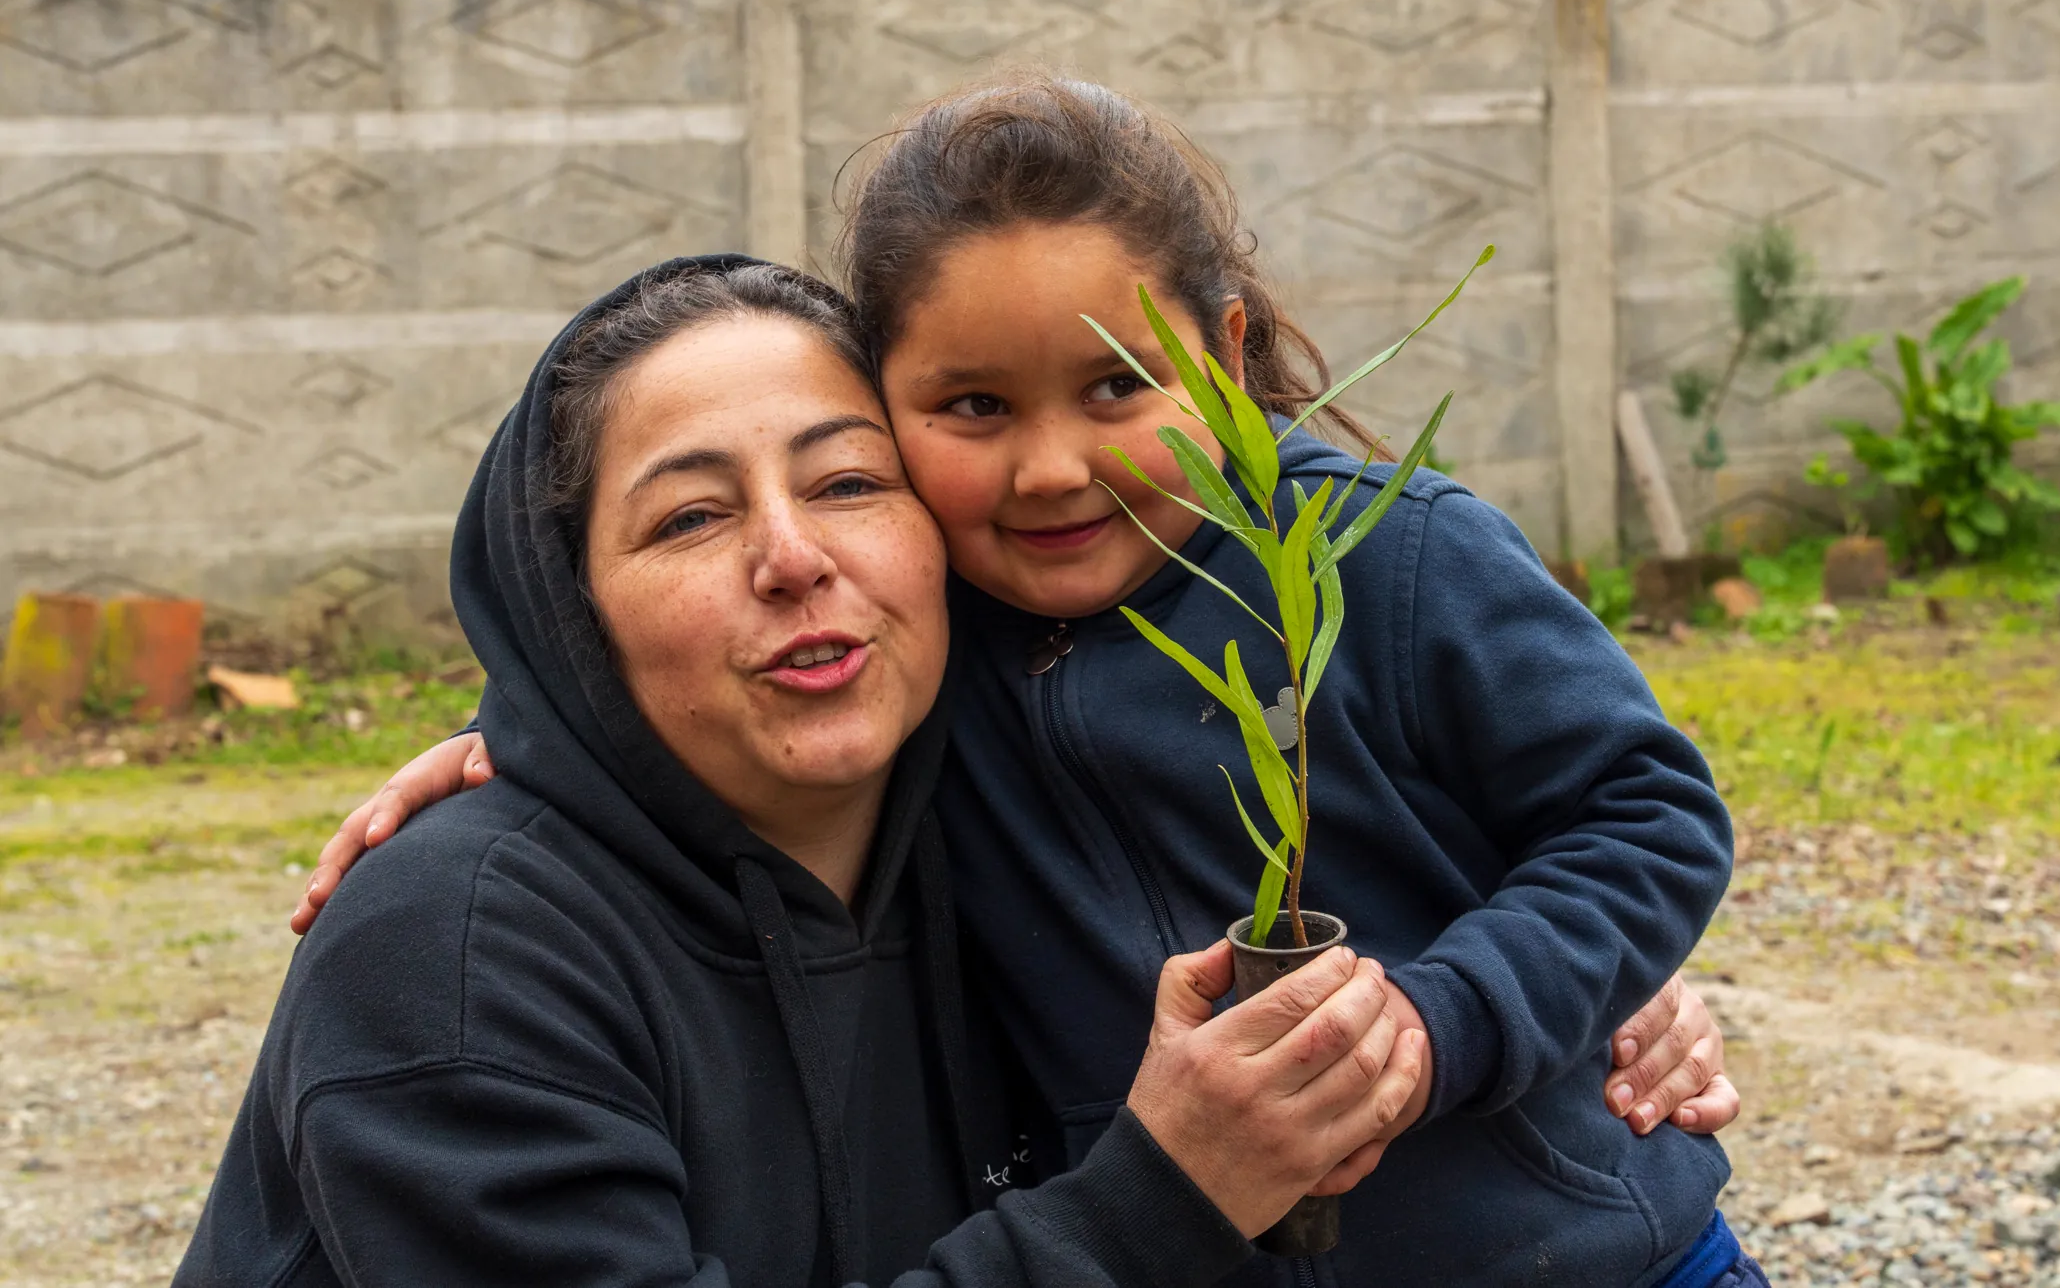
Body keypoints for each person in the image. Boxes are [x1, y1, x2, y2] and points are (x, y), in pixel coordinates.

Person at [301, 76, 1759, 1285]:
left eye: (1118, 383)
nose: (1056, 465)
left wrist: (1482, 1009)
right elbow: (694, 691)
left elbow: (1643, 813)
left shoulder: (1383, 553)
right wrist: (527, 739)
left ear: (1225, 348)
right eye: (976, 407)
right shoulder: (946, 636)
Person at [176, 258, 1434, 1288]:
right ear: (568, 616)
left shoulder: (1000, 821)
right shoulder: (455, 957)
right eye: (689, 517)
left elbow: (1492, 844)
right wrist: (1160, 1191)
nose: (791, 555)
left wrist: (1625, 973)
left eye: (846, 481)